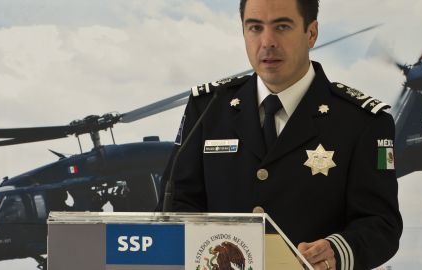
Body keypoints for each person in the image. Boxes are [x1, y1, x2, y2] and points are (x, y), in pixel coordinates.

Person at [158, 0, 403, 269]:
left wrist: (337, 251)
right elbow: (177, 202)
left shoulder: (362, 121)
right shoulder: (208, 109)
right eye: (254, 28)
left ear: (311, 33)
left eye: (282, 26)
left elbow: (381, 224)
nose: (267, 41)